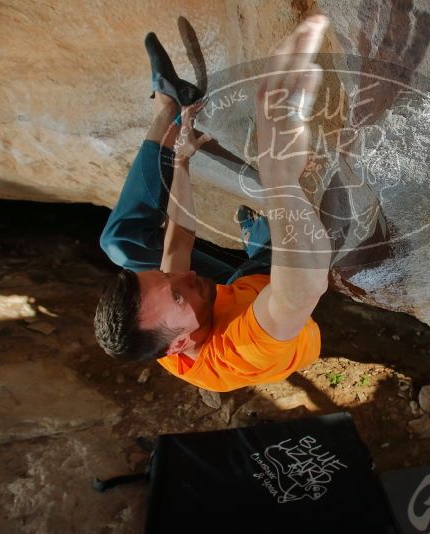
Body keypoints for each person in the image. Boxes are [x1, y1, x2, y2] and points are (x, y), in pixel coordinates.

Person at [94, 16, 332, 392]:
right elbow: (304, 286)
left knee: (119, 245)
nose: (182, 275)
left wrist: (183, 160)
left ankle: (170, 107)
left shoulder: (168, 318)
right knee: (299, 243)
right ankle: (261, 243)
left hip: (235, 289)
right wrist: (278, 176)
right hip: (274, 293)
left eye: (165, 277)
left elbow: (178, 244)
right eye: (175, 294)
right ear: (179, 346)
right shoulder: (239, 349)